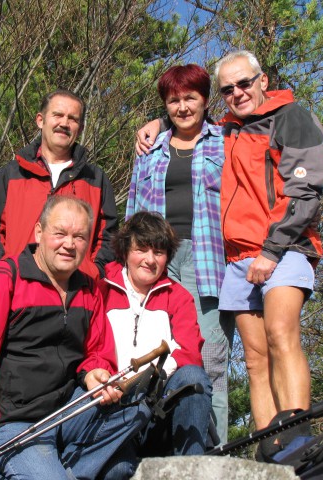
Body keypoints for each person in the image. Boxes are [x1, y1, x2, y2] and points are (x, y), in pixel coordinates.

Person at [136, 51, 323, 443]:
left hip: (272, 250)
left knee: (276, 335)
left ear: (262, 80)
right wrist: (158, 122)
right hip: (233, 258)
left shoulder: (287, 118)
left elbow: (305, 190)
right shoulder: (229, 129)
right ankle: (268, 444)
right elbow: (185, 121)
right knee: (255, 358)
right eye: (229, 88)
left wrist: (272, 250)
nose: (238, 92)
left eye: (244, 83)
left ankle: (295, 435)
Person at [0, 195, 150, 480]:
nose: (69, 244)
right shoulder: (2, 281)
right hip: (14, 424)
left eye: (79, 236)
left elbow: (97, 352)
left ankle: (60, 471)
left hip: (67, 413)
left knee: (137, 411)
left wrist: (93, 373)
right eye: (60, 233)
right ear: (39, 232)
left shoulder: (89, 290)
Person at [126, 64, 232, 444]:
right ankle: (157, 450)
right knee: (156, 358)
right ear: (165, 105)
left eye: (191, 97)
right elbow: (134, 211)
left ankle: (212, 453)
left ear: (205, 100)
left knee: (212, 364)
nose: (183, 106)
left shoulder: (225, 141)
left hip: (211, 263)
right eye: (174, 100)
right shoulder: (149, 148)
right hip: (159, 261)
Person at [99, 211, 212, 477]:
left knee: (193, 377)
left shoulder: (179, 296)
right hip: (113, 407)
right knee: (118, 471)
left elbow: (190, 353)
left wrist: (153, 375)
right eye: (142, 249)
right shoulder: (100, 286)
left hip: (158, 406)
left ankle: (192, 470)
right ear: (126, 249)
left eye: (159, 253)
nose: (150, 260)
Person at [0, 89, 118, 279]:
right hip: (17, 292)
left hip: (76, 296)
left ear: (81, 128)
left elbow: (108, 239)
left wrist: (93, 274)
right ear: (40, 120)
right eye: (58, 115)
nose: (64, 123)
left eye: (73, 119)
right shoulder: (10, 174)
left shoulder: (96, 179)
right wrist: (4, 273)